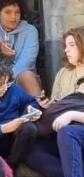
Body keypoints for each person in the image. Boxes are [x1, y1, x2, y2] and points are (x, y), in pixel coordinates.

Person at [24, 27, 84, 177]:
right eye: (65, 45)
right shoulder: (63, 73)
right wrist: (45, 105)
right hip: (60, 132)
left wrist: (71, 115)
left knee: (67, 133)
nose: (66, 50)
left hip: (76, 129)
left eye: (72, 45)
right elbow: (58, 103)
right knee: (29, 149)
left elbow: (69, 110)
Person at [0, 0, 41, 96]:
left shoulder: (30, 31)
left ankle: (38, 110)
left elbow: (27, 61)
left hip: (19, 79)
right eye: (8, 12)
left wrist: (5, 81)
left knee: (27, 75)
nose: (13, 17)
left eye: (17, 12)